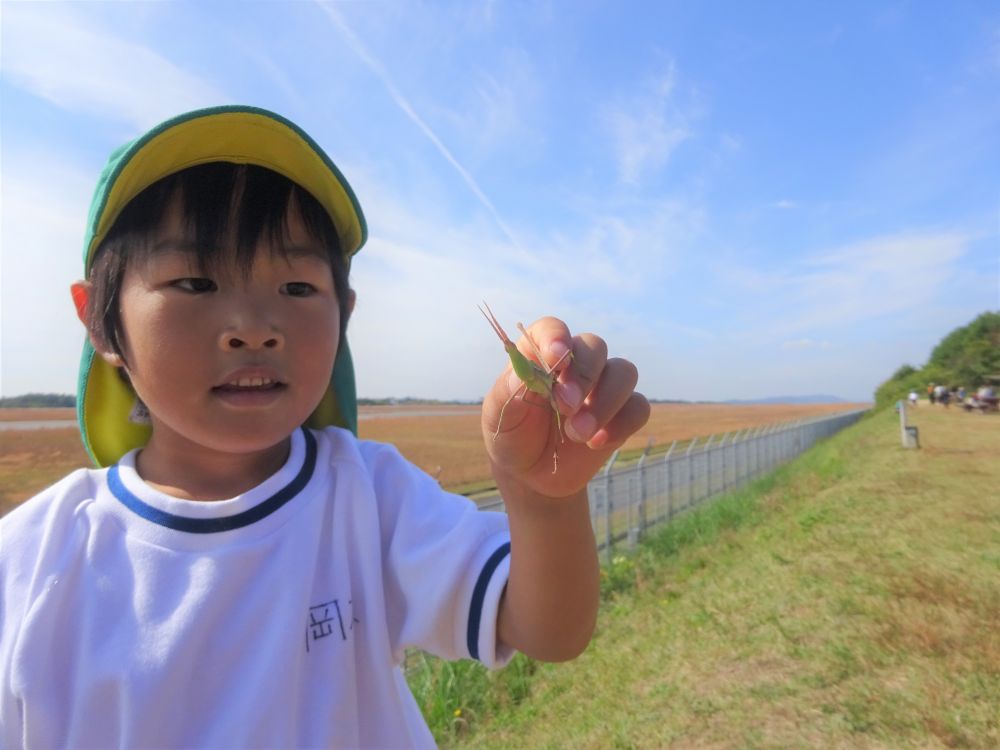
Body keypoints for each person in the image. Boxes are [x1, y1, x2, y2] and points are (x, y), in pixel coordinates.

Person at [0, 106, 650, 748]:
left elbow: (549, 630)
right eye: (194, 281)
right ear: (99, 320)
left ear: (345, 312)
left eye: (297, 287)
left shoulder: (370, 495)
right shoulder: (27, 561)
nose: (253, 325)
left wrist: (543, 501)